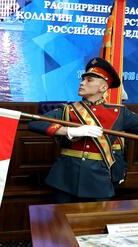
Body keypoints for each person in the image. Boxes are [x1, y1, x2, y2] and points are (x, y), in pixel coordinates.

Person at [29, 57, 138, 203]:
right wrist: (69, 131)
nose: (82, 83)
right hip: (64, 178)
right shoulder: (68, 110)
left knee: (95, 223)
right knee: (59, 224)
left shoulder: (119, 113)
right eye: (83, 79)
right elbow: (35, 123)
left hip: (98, 181)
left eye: (89, 80)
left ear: (103, 88)